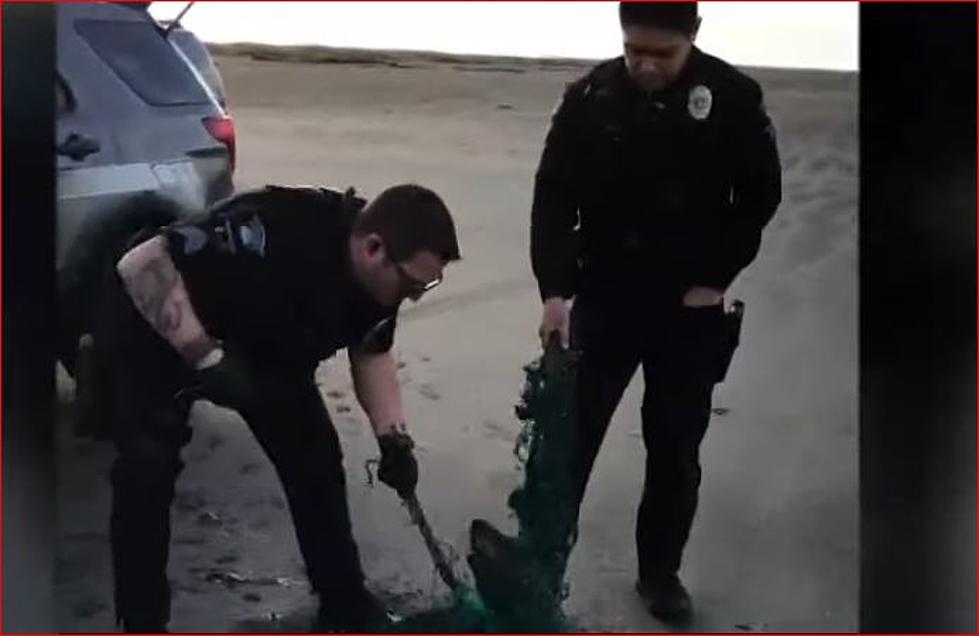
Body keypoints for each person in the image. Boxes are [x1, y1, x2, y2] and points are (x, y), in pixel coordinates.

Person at [92, 183, 461, 632]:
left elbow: (372, 350)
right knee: (147, 472)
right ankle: (142, 623)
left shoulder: (381, 287)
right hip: (159, 325)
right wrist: (204, 356)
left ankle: (343, 607)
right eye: (410, 283)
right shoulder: (271, 228)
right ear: (372, 248)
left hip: (267, 351)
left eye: (425, 287)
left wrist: (392, 436)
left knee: (315, 460)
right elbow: (141, 263)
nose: (414, 296)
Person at [529, 2, 782, 620]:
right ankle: (538, 565)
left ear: (692, 37)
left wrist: (716, 277)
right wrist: (555, 291)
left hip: (689, 309)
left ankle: (660, 574)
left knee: (674, 447)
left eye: (661, 54)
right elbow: (554, 196)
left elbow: (759, 196)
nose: (644, 64)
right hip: (605, 298)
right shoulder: (590, 97)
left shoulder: (732, 97)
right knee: (566, 441)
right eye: (633, 49)